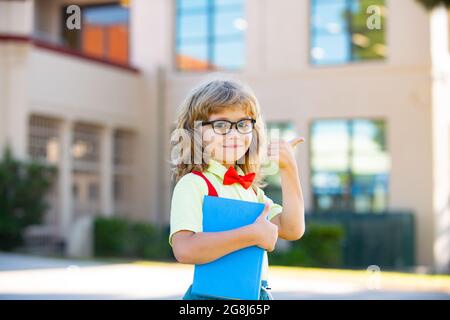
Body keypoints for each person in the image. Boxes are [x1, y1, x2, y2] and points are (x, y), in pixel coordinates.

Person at [169, 78, 305, 300]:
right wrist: (252, 235)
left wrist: (289, 170)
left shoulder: (250, 189)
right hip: (212, 297)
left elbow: (292, 229)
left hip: (255, 295)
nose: (234, 135)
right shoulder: (195, 184)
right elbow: (184, 249)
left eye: (243, 125)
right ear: (195, 132)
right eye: (221, 125)